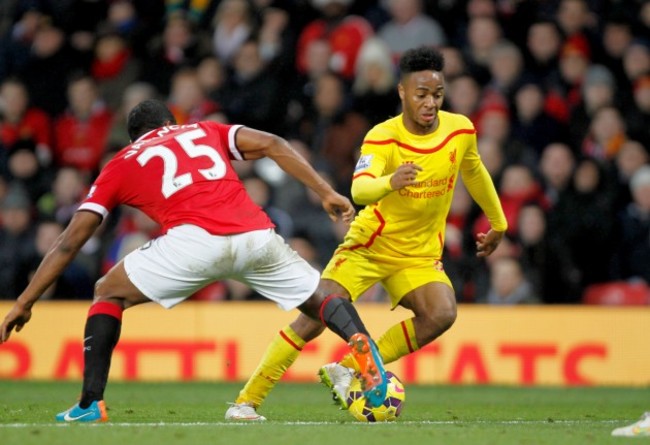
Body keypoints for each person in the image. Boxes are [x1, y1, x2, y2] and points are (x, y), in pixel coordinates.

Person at [0, 99, 388, 422]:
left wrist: (25, 301)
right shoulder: (204, 130)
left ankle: (89, 404)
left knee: (107, 291)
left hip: (194, 242)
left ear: (136, 136)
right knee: (321, 299)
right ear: (170, 122)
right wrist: (325, 192)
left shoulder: (122, 160)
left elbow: (70, 241)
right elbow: (272, 143)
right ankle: (364, 349)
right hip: (255, 233)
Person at [225, 46, 507, 421]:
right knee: (312, 319)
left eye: (437, 95)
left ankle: (347, 367)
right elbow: (359, 190)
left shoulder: (460, 130)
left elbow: (474, 171)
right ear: (403, 92)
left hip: (419, 253)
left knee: (441, 313)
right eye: (421, 94)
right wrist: (391, 180)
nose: (430, 103)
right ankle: (247, 401)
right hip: (369, 247)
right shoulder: (383, 136)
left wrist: (499, 222)